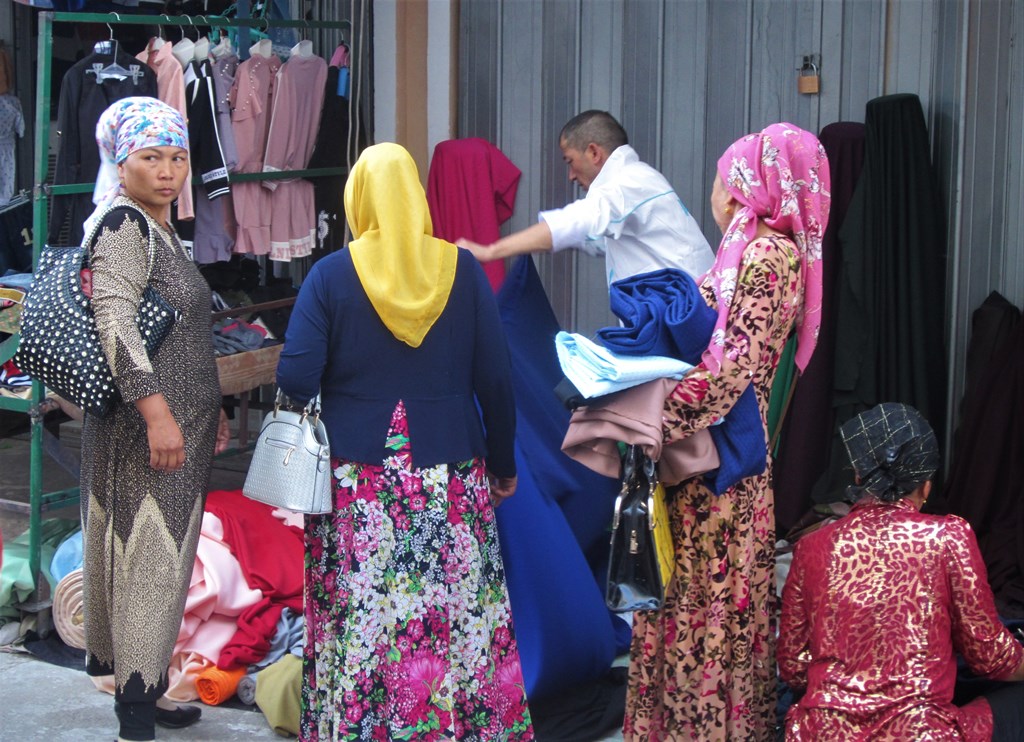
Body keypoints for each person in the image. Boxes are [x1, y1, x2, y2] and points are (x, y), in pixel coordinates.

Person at [275, 142, 534, 741]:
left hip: (357, 477)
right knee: (453, 607)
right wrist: (502, 464)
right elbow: (495, 378)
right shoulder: (461, 270)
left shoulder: (332, 275)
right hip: (449, 475)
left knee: (364, 613)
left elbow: (294, 376)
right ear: (416, 196)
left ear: (358, 198)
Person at [623, 123, 831, 741]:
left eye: (722, 177)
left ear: (748, 185)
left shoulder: (769, 257)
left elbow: (730, 372)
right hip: (704, 461)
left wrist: (645, 417)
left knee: (706, 610)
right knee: (691, 605)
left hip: (720, 472)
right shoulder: (744, 252)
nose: (714, 191)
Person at [79, 97, 220, 741]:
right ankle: (134, 711)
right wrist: (158, 412)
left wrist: (203, 412)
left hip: (180, 426)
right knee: (150, 560)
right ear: (120, 161)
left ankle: (148, 684)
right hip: (146, 433)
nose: (168, 171)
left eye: (178, 157)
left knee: (167, 559)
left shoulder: (159, 226)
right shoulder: (124, 228)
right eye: (151, 158)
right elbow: (115, 323)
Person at [778, 402, 1024, 741]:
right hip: (918, 732)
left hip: (822, 733)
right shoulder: (948, 537)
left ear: (858, 476)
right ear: (925, 486)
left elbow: (793, 667)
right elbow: (992, 657)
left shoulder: (812, 546)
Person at [459, 110, 714, 286]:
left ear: (593, 152)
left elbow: (578, 220)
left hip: (686, 323)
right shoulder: (636, 182)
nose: (570, 175)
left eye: (570, 161)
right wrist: (550, 241)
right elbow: (594, 238)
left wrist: (491, 251)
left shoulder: (628, 182)